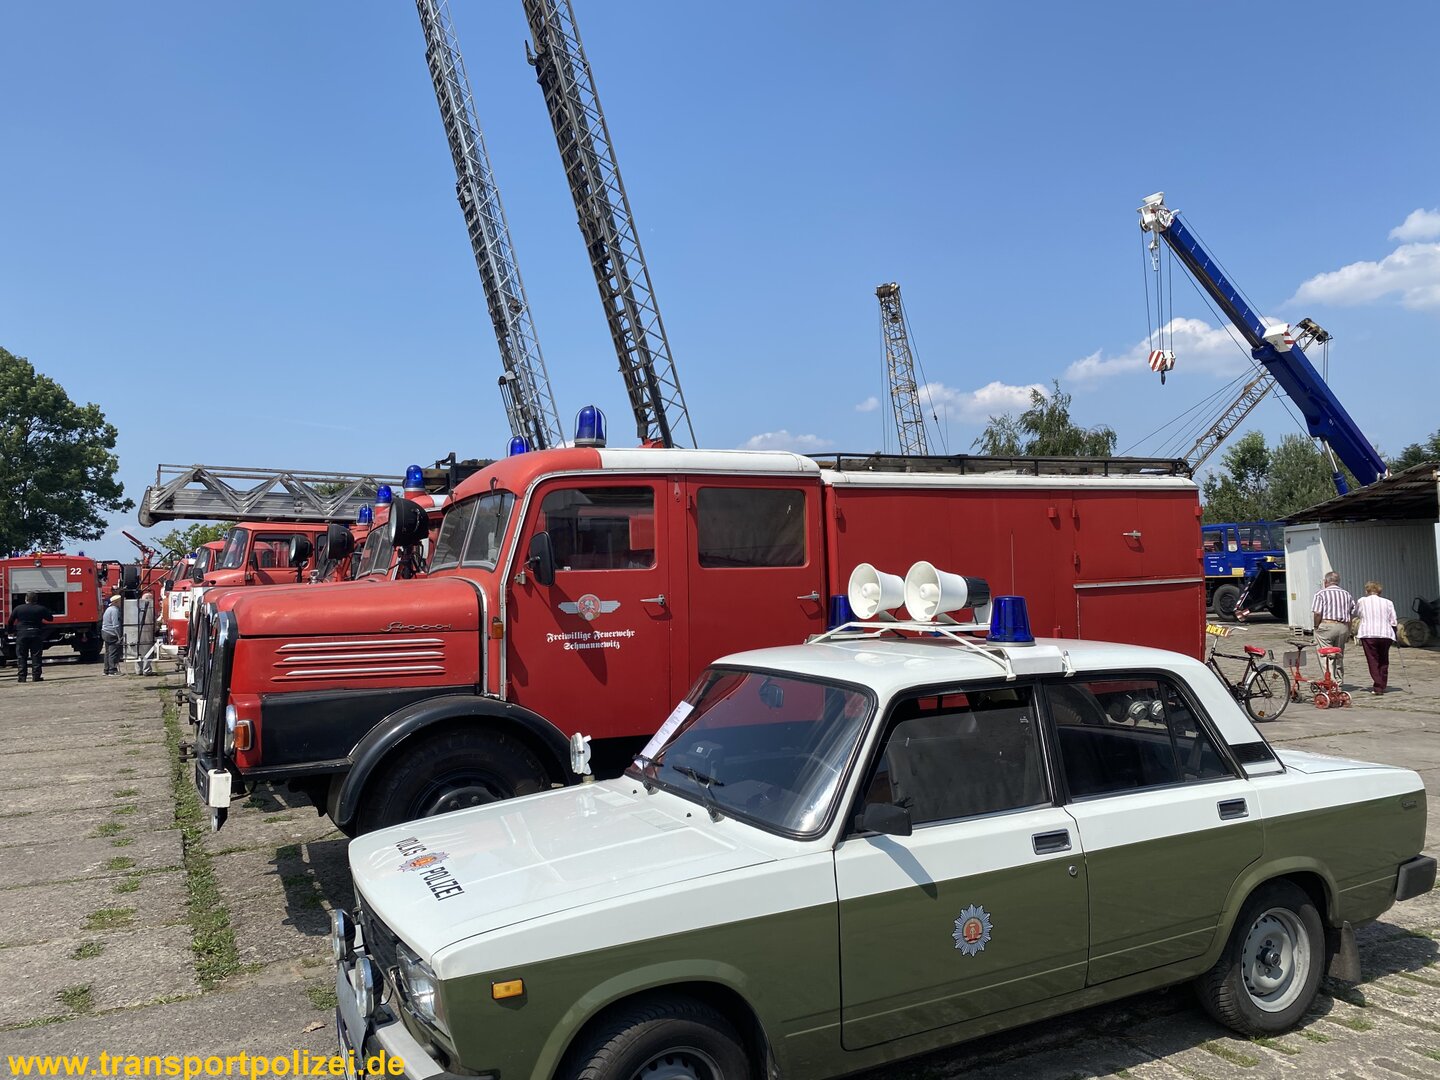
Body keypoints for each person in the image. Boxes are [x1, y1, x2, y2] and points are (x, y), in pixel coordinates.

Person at [1312, 571, 1356, 686]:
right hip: (1342, 626)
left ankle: (1331, 681)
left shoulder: (1321, 594)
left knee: (1325, 654)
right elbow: (1351, 613)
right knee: (1338, 653)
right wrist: (1348, 630)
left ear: (1326, 581)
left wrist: (1316, 626)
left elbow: (1317, 613)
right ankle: (1339, 680)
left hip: (1327, 625)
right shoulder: (1346, 594)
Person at [1354, 581, 1399, 695]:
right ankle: (1382, 683)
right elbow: (1393, 621)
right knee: (1384, 659)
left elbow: (1357, 613)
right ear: (1380, 591)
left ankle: (1378, 685)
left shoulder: (1362, 601)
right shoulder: (1388, 602)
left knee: (1372, 659)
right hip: (1385, 633)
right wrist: (1395, 633)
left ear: (1367, 591)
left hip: (1368, 633)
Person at [7, 592, 54, 683]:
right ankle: (36, 676)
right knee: (36, 655)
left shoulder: (18, 608)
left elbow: (10, 621)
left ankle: (22, 677)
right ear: (36, 600)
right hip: (36, 633)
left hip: (22, 634)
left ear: (26, 599)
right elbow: (50, 618)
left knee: (21, 656)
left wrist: (10, 632)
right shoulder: (40, 608)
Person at [101, 593, 124, 676]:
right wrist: (119, 636)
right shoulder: (115, 610)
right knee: (113, 652)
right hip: (111, 633)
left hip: (105, 632)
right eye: (120, 601)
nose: (121, 603)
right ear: (116, 602)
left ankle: (106, 670)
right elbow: (115, 625)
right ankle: (112, 670)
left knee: (107, 652)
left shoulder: (108, 609)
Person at [137, 590, 155, 675]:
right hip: (147, 631)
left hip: (137, 631)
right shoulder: (150, 607)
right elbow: (152, 620)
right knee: (148, 651)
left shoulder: (137, 606)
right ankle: (147, 670)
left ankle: (138, 669)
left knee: (138, 651)